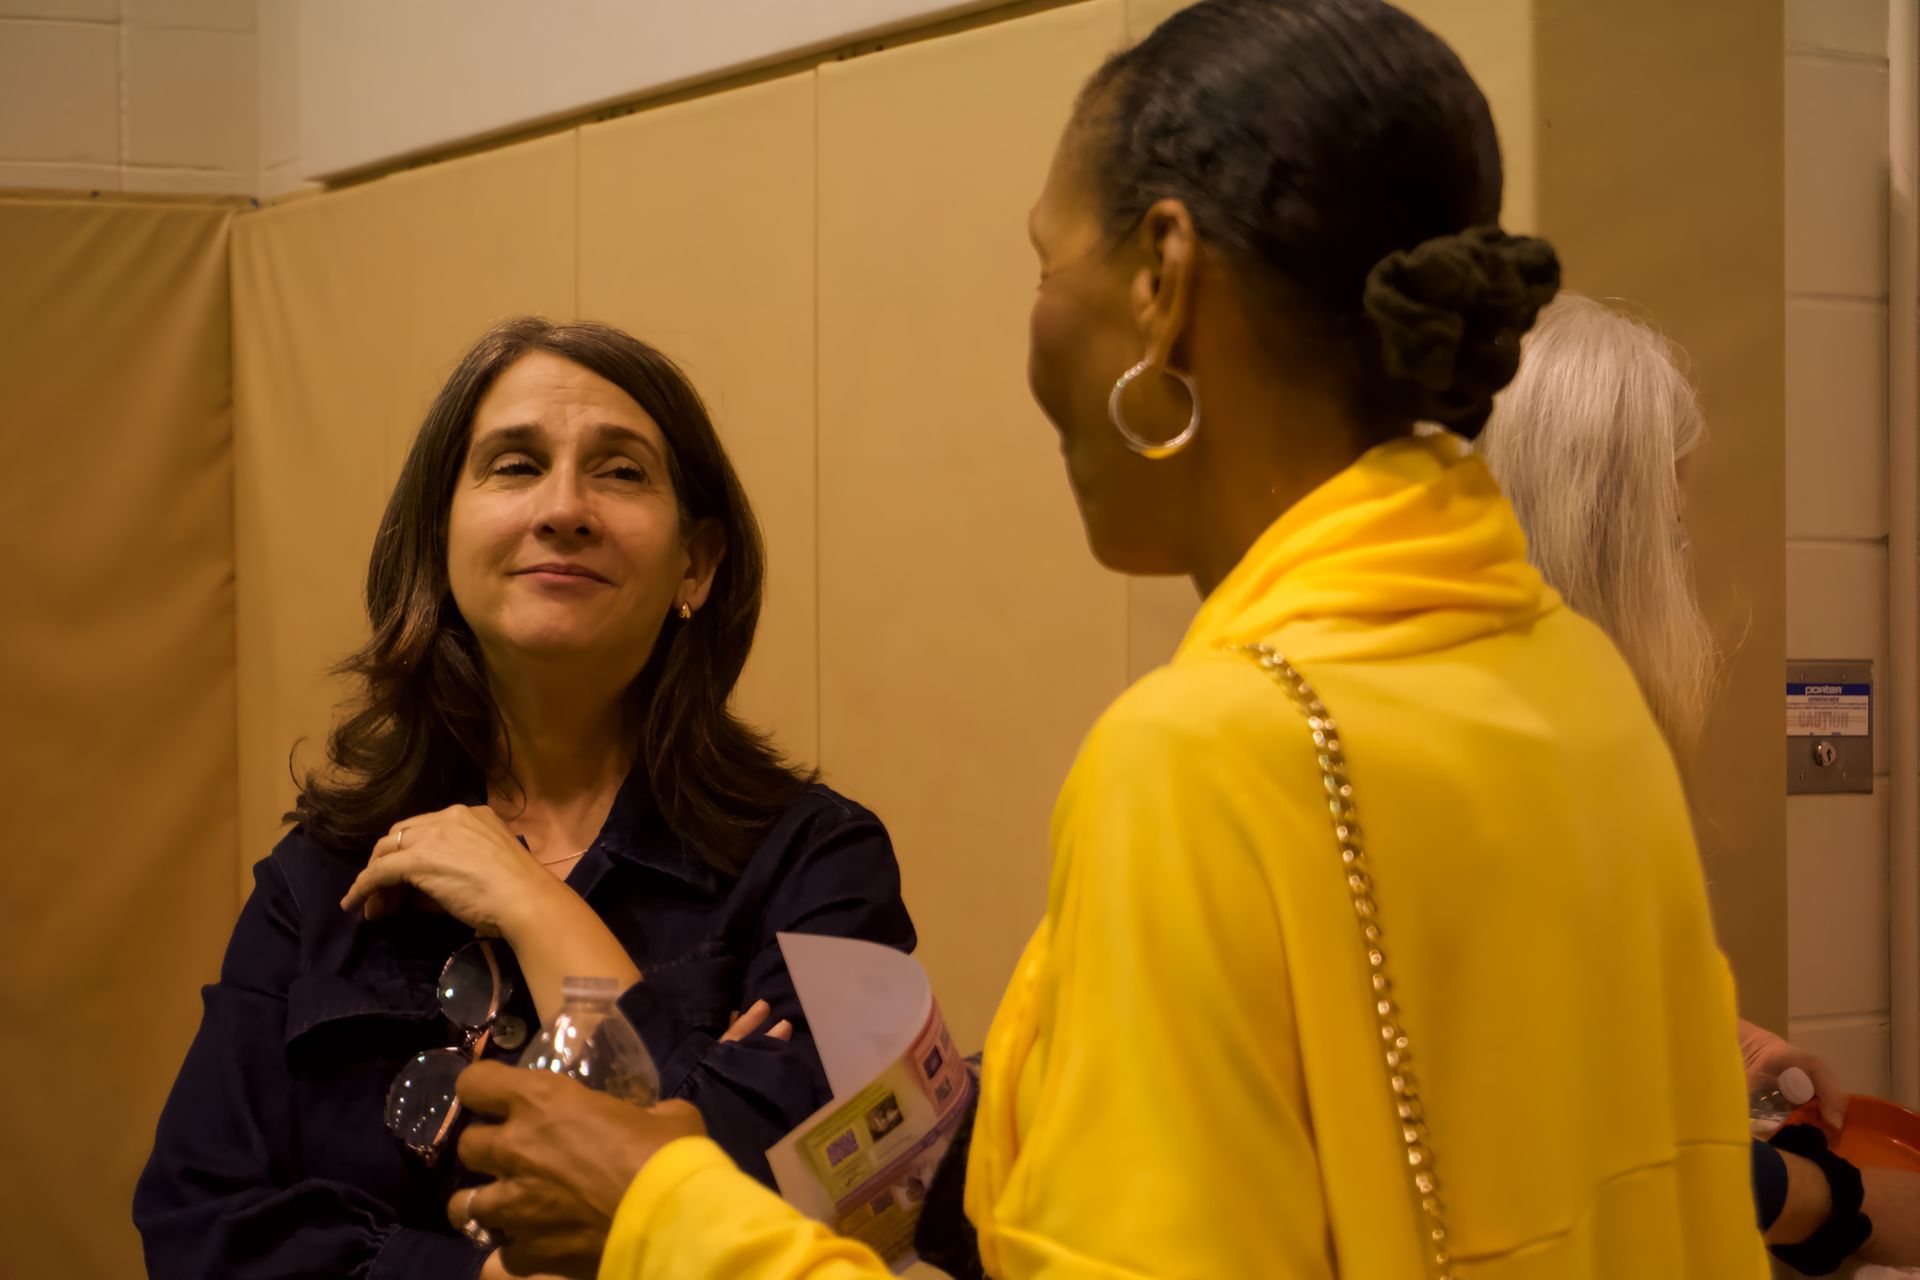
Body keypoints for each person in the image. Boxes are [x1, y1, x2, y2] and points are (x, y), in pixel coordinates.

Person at [442, 2, 1769, 1276]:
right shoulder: (1572, 685)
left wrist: (657, 1210)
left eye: (1044, 263)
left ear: (1162, 280)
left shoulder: (1210, 757)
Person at [132, 318, 917, 1280]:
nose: (565, 509)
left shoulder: (819, 865)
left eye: (622, 472)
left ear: (696, 566)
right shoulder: (323, 874)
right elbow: (200, 1229)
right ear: (440, 539)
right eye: (513, 465)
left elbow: (810, 1210)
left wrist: (535, 907)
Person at [1480, 292, 1920, 1274]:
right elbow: (1575, 1146)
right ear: (1601, 544)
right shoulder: (1515, 771)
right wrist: (1843, 1200)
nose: (1681, 571)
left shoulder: (1504, 740)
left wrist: (1709, 1040)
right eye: (1669, 539)